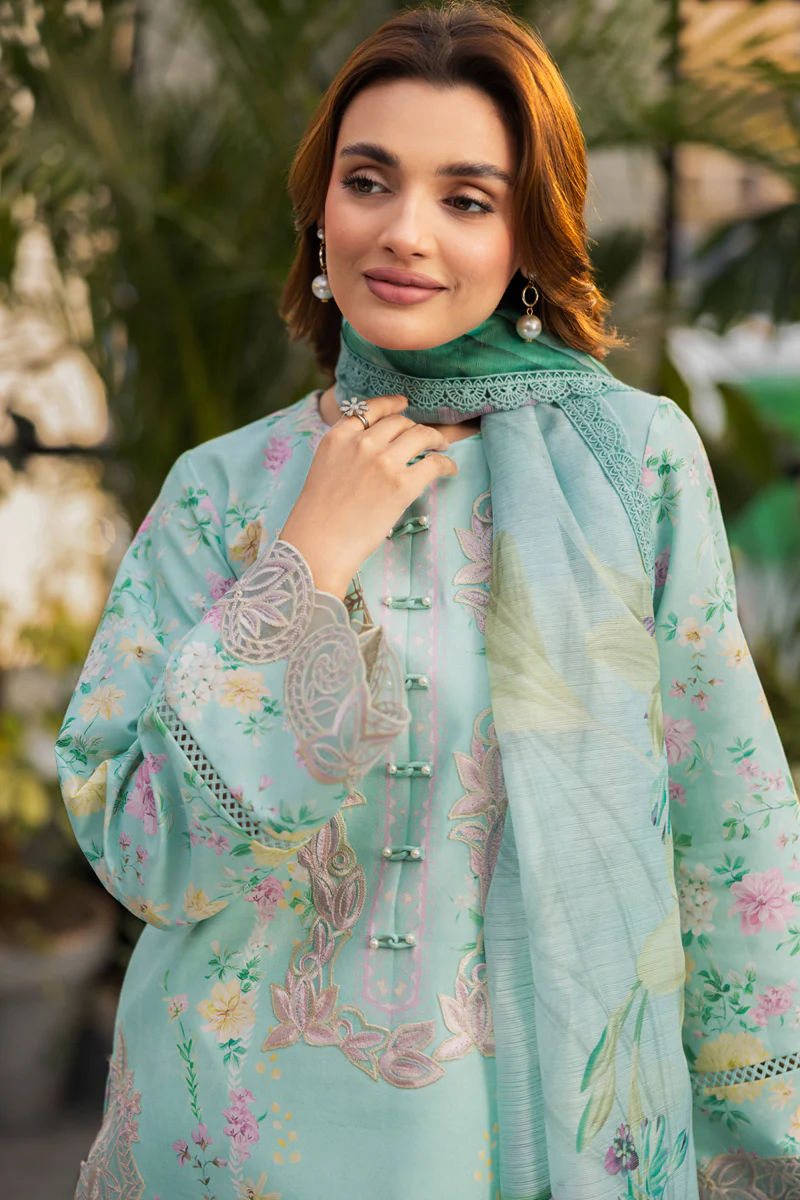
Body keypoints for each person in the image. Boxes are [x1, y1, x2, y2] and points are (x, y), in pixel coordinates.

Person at [56, 3, 800, 1198]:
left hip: (531, 1151)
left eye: (465, 198)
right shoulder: (220, 491)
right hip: (229, 1150)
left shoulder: (629, 468)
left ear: (526, 236)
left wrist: (765, 1147)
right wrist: (305, 561)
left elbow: (730, 828)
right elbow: (144, 853)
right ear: (320, 211)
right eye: (368, 181)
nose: (403, 232)